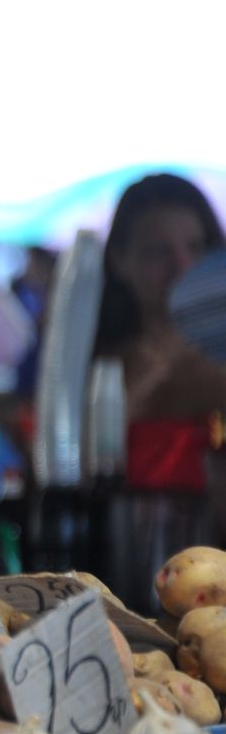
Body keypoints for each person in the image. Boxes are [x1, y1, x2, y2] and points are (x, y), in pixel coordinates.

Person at [92, 172, 226, 496]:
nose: (183, 267)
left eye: (196, 248)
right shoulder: (95, 370)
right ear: (119, 260)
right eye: (157, 252)